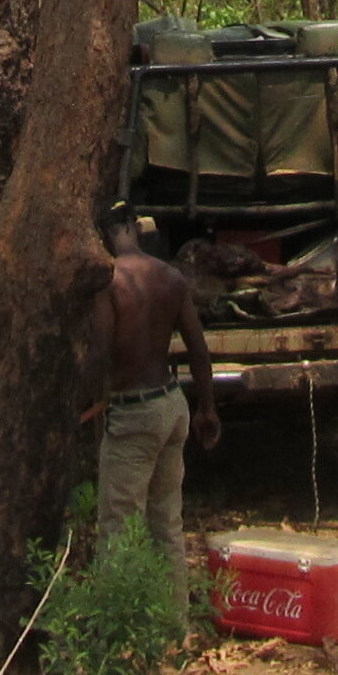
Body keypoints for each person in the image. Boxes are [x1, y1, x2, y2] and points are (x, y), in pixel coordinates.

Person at [89, 214, 221, 562]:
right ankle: (173, 617)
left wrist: (86, 405)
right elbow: (198, 350)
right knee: (167, 526)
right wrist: (207, 409)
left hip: (134, 411)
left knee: (118, 527)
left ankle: (121, 616)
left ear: (102, 236)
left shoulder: (109, 282)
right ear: (136, 228)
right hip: (171, 404)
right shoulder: (171, 277)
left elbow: (100, 354)